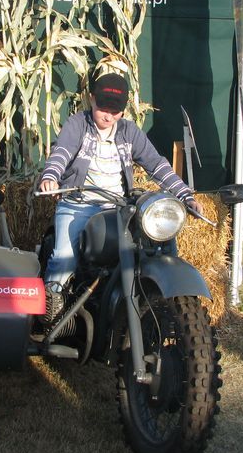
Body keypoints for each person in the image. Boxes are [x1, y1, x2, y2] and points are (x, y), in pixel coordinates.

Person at [38, 72, 203, 293]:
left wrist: (185, 196)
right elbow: (61, 152)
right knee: (63, 260)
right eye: (103, 108)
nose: (107, 116)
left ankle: (166, 301)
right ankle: (52, 305)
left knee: (159, 244)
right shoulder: (78, 125)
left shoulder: (129, 132)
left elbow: (156, 164)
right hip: (78, 204)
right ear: (91, 99)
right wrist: (51, 176)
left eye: (114, 111)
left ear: (124, 110)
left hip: (118, 207)